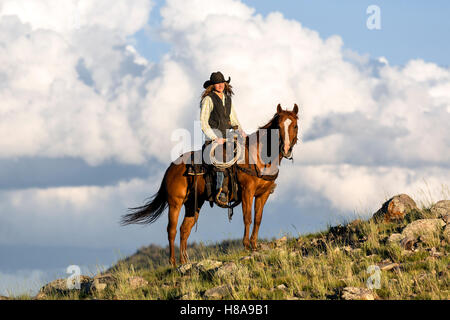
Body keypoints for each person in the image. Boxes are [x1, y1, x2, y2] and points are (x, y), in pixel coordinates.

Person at [200, 71, 246, 203]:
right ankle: (220, 191)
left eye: (221, 83)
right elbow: (203, 122)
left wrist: (241, 131)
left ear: (225, 84)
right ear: (212, 85)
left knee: (246, 154)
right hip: (214, 138)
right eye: (216, 83)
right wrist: (215, 138)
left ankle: (244, 186)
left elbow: (234, 119)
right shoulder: (208, 99)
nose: (220, 85)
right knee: (221, 161)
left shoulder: (228, 99)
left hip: (228, 137)